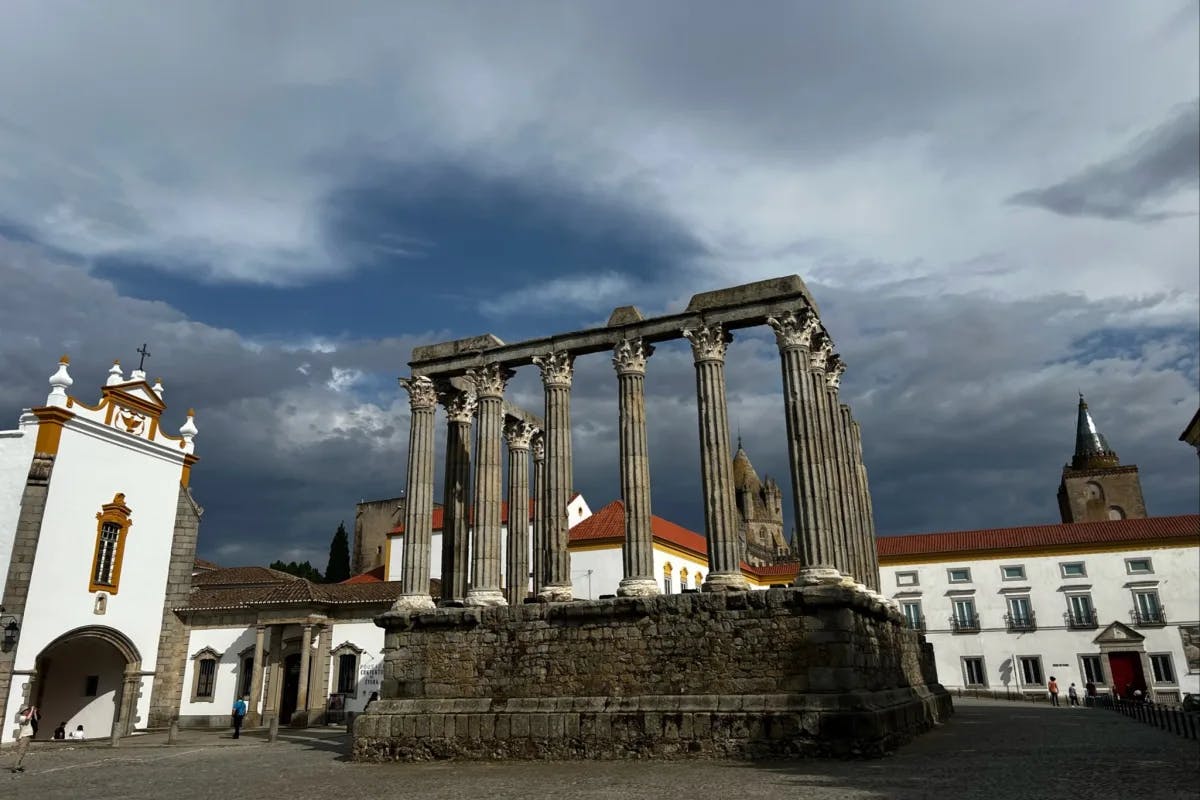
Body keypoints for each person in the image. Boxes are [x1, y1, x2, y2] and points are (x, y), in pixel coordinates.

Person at [10, 705, 38, 773]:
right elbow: (28, 718)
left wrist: (34, 712)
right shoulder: (21, 717)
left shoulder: (26, 716)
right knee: (21, 752)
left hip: (27, 736)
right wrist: (31, 710)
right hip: (24, 737)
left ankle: (18, 766)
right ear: (23, 711)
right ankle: (15, 767)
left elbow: (36, 719)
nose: (27, 711)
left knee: (23, 752)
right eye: (26, 710)